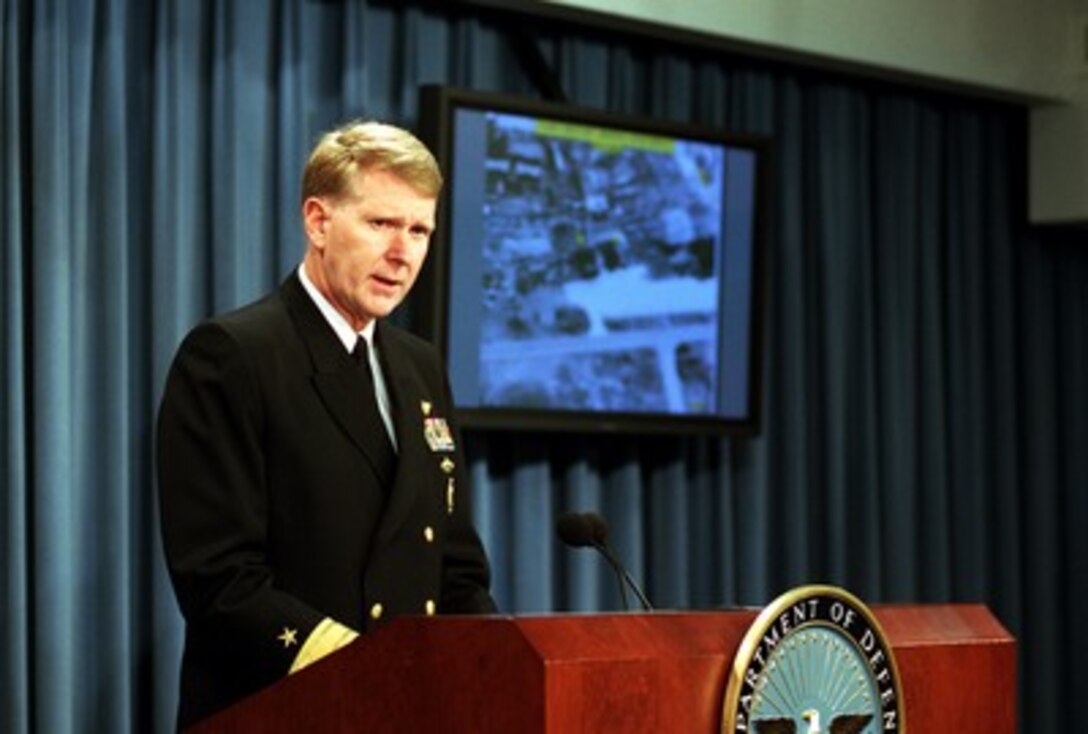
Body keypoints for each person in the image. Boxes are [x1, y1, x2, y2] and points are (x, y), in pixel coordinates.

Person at [156, 120, 496, 730]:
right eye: (381, 224)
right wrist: (369, 669)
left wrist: (498, 667)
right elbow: (221, 582)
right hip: (285, 710)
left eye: (419, 230)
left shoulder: (420, 366)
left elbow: (456, 567)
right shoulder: (233, 355)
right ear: (317, 222)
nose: (403, 252)